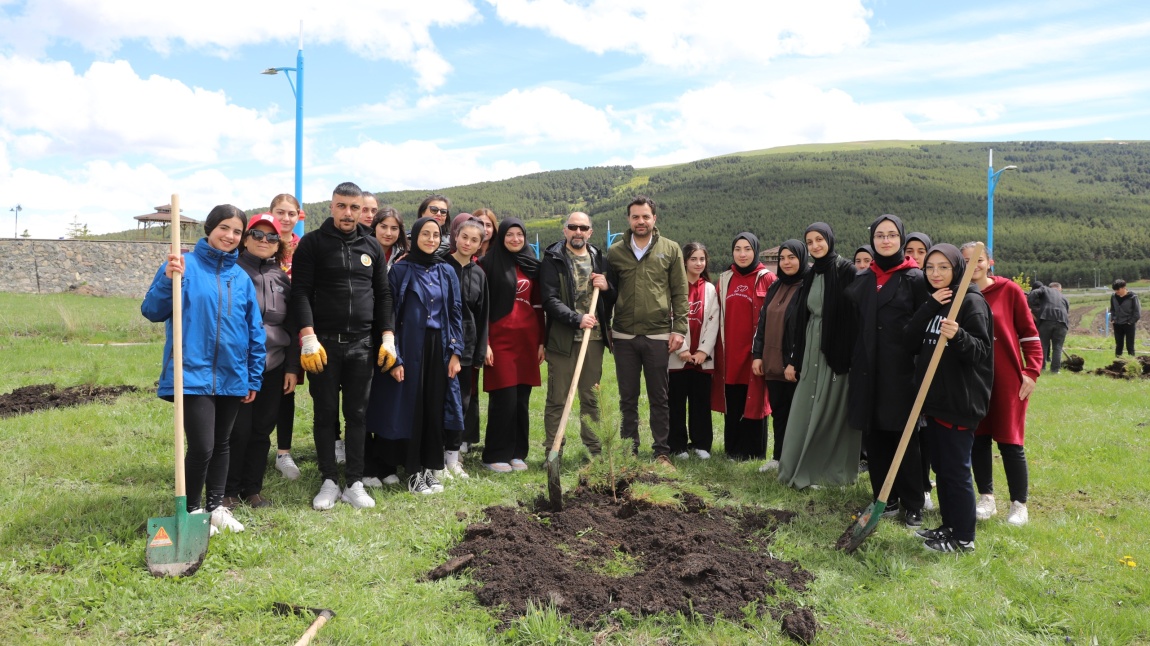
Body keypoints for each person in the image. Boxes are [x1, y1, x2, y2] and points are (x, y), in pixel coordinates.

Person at [141, 204, 265, 535]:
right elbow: (152, 310)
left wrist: (253, 376)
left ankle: (216, 507)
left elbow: (254, 330)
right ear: (209, 229)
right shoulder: (183, 266)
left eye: (237, 231)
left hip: (231, 373)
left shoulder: (240, 277)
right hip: (191, 373)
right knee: (203, 446)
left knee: (223, 442)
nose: (230, 236)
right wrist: (169, 280)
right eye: (224, 228)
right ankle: (193, 509)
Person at [290, 181, 395, 511]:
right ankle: (328, 481)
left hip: (362, 346)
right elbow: (301, 292)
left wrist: (388, 337)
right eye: (342, 206)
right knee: (324, 414)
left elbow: (384, 296)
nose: (348, 213)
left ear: (362, 209)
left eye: (355, 207)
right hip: (323, 346)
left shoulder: (372, 247)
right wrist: (307, 336)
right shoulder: (312, 244)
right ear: (331, 207)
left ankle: (354, 482)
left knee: (358, 415)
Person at [845, 215, 930, 527]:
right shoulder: (863, 280)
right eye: (879, 235)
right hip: (868, 372)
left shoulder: (916, 279)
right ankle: (886, 498)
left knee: (905, 439)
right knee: (876, 438)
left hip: (902, 373)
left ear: (901, 239)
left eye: (891, 235)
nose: (885, 240)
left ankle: (913, 503)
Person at [908, 244, 993, 553]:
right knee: (942, 470)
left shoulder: (971, 302)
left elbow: (981, 353)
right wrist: (929, 307)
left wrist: (958, 335)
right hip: (935, 400)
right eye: (930, 267)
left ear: (957, 268)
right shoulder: (940, 300)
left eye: (943, 267)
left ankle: (964, 538)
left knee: (956, 472)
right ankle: (950, 525)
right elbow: (909, 339)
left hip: (960, 401)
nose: (935, 273)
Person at [371, 217, 464, 495]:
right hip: (409, 347)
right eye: (426, 234)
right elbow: (389, 314)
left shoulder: (446, 271)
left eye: (436, 235)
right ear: (413, 237)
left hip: (439, 347)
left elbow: (456, 311)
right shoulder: (400, 271)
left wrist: (456, 351)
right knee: (412, 410)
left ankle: (429, 469)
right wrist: (395, 357)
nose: (431, 240)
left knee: (434, 409)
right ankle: (412, 473)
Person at [961, 242, 1041, 527]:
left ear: (990, 262)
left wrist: (1031, 371)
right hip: (973, 379)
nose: (974, 265)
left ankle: (1019, 504)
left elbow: (1029, 334)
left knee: (1010, 440)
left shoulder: (1009, 291)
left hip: (1007, 378)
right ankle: (987, 497)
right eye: (968, 261)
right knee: (978, 439)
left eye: (979, 260)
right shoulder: (960, 295)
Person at [606, 195, 689, 468]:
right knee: (627, 397)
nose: (640, 221)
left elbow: (679, 292)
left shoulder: (671, 249)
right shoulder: (616, 251)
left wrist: (679, 329)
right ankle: (629, 451)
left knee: (659, 398)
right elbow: (609, 294)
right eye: (635, 217)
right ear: (628, 220)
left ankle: (661, 452)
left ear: (655, 218)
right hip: (624, 336)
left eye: (645, 216)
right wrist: (607, 327)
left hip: (658, 335)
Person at [224, 214, 299, 510]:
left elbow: (291, 326)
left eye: (271, 237)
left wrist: (292, 367)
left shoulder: (281, 277)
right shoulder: (231, 271)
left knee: (262, 429)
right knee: (237, 430)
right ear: (245, 238)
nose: (264, 241)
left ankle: (252, 489)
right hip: (239, 364)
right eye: (257, 234)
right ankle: (227, 490)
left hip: (275, 365)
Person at [777, 222, 859, 489]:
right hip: (811, 346)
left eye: (819, 240)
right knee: (804, 408)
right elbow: (802, 318)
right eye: (810, 242)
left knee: (829, 410)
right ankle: (795, 467)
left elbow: (857, 313)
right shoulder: (811, 275)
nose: (815, 246)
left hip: (836, 350)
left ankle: (827, 474)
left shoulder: (847, 270)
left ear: (830, 240)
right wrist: (794, 358)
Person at [540, 212, 615, 460]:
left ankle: (594, 452)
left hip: (592, 342)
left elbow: (612, 298)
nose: (578, 232)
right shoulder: (554, 259)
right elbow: (549, 300)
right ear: (565, 230)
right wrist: (577, 318)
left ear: (590, 232)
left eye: (583, 228)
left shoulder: (598, 257)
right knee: (557, 399)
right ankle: (554, 451)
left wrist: (607, 288)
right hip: (563, 340)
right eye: (573, 227)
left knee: (590, 399)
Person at [480, 218, 545, 472]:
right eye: (510, 234)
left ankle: (518, 453)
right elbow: (482, 308)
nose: (515, 239)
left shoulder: (532, 265)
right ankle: (495, 454)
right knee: (503, 398)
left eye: (519, 234)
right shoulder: (488, 265)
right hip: (499, 341)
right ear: (501, 237)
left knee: (521, 400)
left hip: (527, 341)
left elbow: (539, 305)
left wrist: (542, 341)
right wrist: (484, 342)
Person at [714, 233, 774, 461]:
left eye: (747, 249)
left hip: (755, 353)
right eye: (737, 249)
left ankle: (754, 452)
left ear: (755, 250)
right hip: (730, 353)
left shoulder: (767, 278)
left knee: (755, 399)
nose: (742, 254)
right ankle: (733, 449)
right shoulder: (725, 278)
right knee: (734, 398)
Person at [753, 240, 808, 472]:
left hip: (792, 365)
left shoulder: (807, 287)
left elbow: (804, 329)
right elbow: (763, 321)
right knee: (779, 412)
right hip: (772, 362)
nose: (786, 262)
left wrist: (793, 362)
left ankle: (797, 461)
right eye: (782, 258)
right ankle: (778, 457)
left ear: (801, 258)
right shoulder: (775, 286)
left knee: (797, 416)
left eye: (792, 257)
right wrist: (757, 354)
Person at [443, 213, 489, 478]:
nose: (468, 243)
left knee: (461, 403)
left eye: (474, 240)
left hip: (468, 348)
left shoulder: (479, 275)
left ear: (480, 245)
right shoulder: (440, 266)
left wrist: (480, 351)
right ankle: (435, 455)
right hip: (440, 346)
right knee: (440, 401)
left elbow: (483, 317)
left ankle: (453, 457)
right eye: (464, 237)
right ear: (456, 237)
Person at [669, 242, 719, 460]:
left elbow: (713, 321)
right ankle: (677, 446)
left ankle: (701, 444)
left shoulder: (709, 289)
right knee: (675, 403)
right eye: (693, 259)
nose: (698, 263)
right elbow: (668, 317)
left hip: (701, 359)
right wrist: (683, 350)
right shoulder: (672, 287)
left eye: (702, 259)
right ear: (684, 261)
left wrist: (702, 351)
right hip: (676, 357)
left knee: (701, 402)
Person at [268, 194, 304, 481]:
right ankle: (252, 445)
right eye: (280, 212)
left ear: (298, 216)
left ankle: (284, 453)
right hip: (264, 328)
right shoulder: (261, 242)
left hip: (295, 329)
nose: (285, 218)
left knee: (286, 390)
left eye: (291, 213)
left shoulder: (304, 249)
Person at [1029, 281, 1070, 372]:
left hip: (1046, 319)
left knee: (1043, 345)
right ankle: (1055, 370)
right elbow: (1067, 311)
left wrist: (1034, 308)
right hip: (1062, 322)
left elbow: (1034, 293)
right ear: (1060, 289)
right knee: (1057, 347)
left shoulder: (1045, 289)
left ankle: (1041, 367)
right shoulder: (1064, 297)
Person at [1110, 279, 1141, 357]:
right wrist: (1113, 318)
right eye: (1115, 290)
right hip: (1117, 324)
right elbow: (1112, 309)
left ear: (1124, 287)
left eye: (1118, 289)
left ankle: (1132, 363)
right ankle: (1117, 363)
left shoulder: (1133, 297)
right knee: (1119, 345)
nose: (1116, 291)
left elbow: (1137, 312)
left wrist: (1130, 322)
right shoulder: (1113, 297)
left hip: (1129, 325)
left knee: (1130, 346)